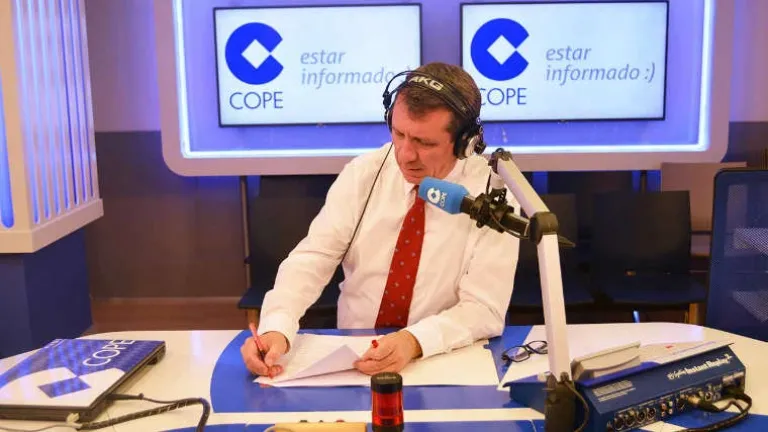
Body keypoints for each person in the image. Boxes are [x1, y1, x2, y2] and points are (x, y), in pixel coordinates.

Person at [241, 62, 520, 378]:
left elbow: (484, 308)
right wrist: (277, 326)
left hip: (440, 359)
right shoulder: (365, 173)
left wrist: (413, 341)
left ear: (466, 143)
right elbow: (313, 259)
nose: (405, 154)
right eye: (399, 134)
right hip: (353, 359)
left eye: (424, 142)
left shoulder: (492, 198)